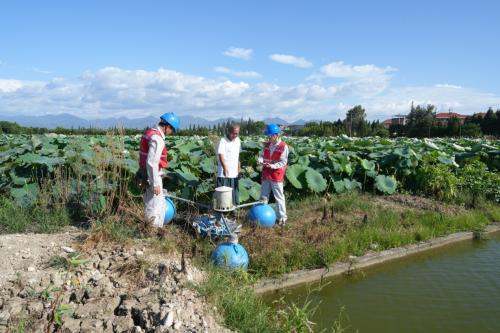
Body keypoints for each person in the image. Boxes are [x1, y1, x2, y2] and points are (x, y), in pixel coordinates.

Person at [139, 112, 180, 227]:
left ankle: (151, 229)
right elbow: (152, 163)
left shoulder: (149, 132)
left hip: (145, 173)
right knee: (154, 207)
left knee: (152, 204)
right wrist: (155, 183)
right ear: (167, 126)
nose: (171, 133)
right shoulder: (157, 138)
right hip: (152, 175)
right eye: (172, 130)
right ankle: (152, 231)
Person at [258, 123, 289, 225]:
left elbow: (283, 162)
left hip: (276, 175)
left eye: (270, 136)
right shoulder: (267, 145)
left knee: (279, 197)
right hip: (266, 174)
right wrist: (260, 160)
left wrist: (273, 166)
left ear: (276, 135)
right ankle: (262, 218)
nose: (268, 137)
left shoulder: (283, 147)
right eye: (268, 136)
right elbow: (262, 155)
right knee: (263, 196)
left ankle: (282, 218)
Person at [216, 123, 241, 206]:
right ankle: (222, 212)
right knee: (223, 194)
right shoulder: (223, 141)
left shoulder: (238, 141)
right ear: (229, 131)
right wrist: (224, 167)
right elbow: (221, 155)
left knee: (233, 193)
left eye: (237, 133)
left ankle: (233, 209)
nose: (235, 135)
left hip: (234, 172)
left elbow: (238, 156)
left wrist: (239, 168)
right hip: (224, 173)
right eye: (233, 133)